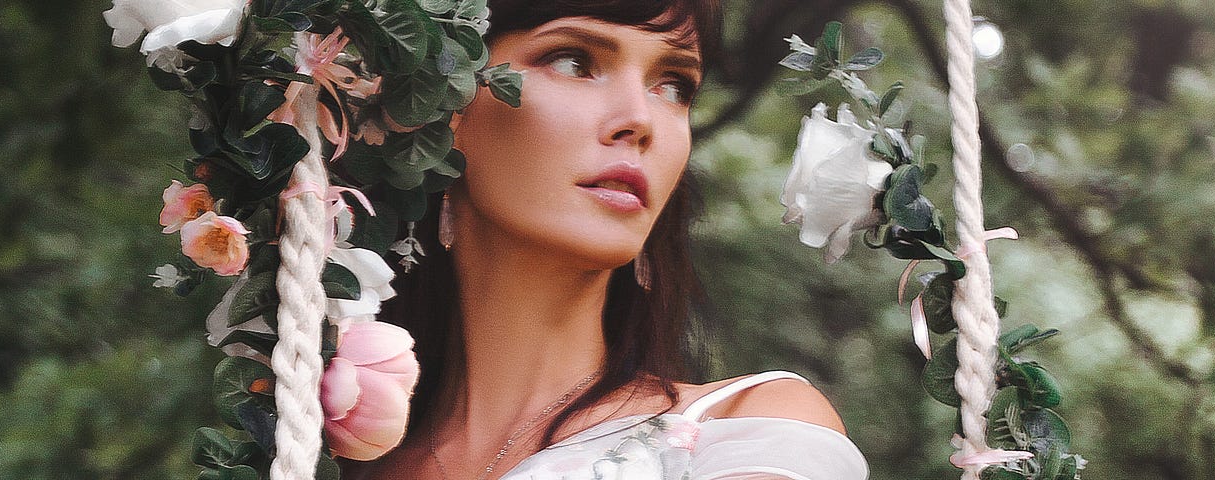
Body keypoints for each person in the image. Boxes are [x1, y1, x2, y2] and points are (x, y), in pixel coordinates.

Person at [342, 1, 869, 478]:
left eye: (673, 86)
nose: (640, 120)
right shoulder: (314, 454)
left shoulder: (748, 432)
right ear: (440, 113)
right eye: (574, 62)